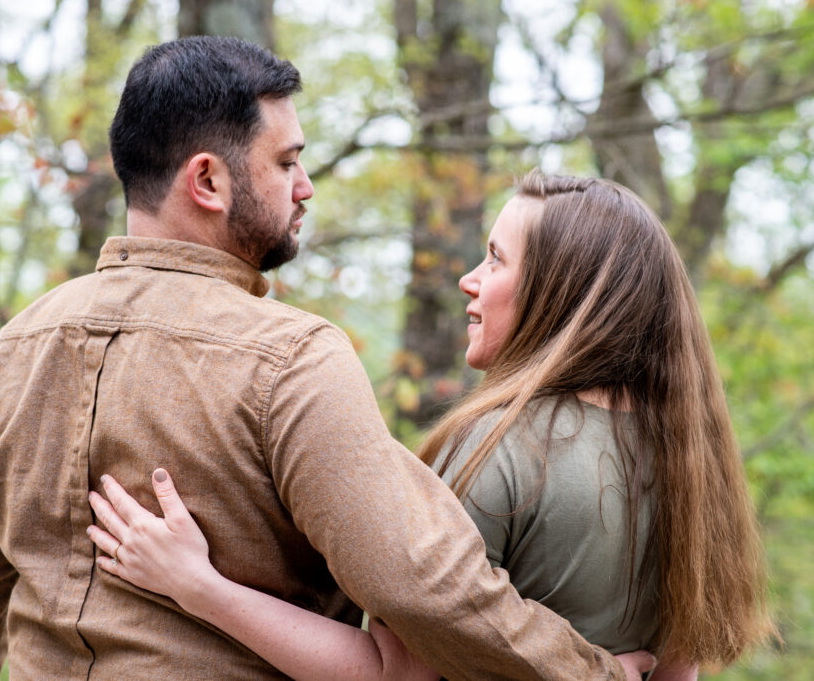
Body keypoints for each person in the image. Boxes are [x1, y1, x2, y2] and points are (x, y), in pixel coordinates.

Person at [0, 37, 652, 679]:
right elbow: (427, 589)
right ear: (208, 180)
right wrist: (587, 668)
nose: (305, 188)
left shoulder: (10, 354)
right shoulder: (291, 359)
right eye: (287, 162)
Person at [86, 172, 776, 680]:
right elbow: (679, 669)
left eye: (497, 259)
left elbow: (391, 670)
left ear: (559, 289)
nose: (469, 281)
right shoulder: (686, 459)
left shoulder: (507, 448)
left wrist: (198, 585)